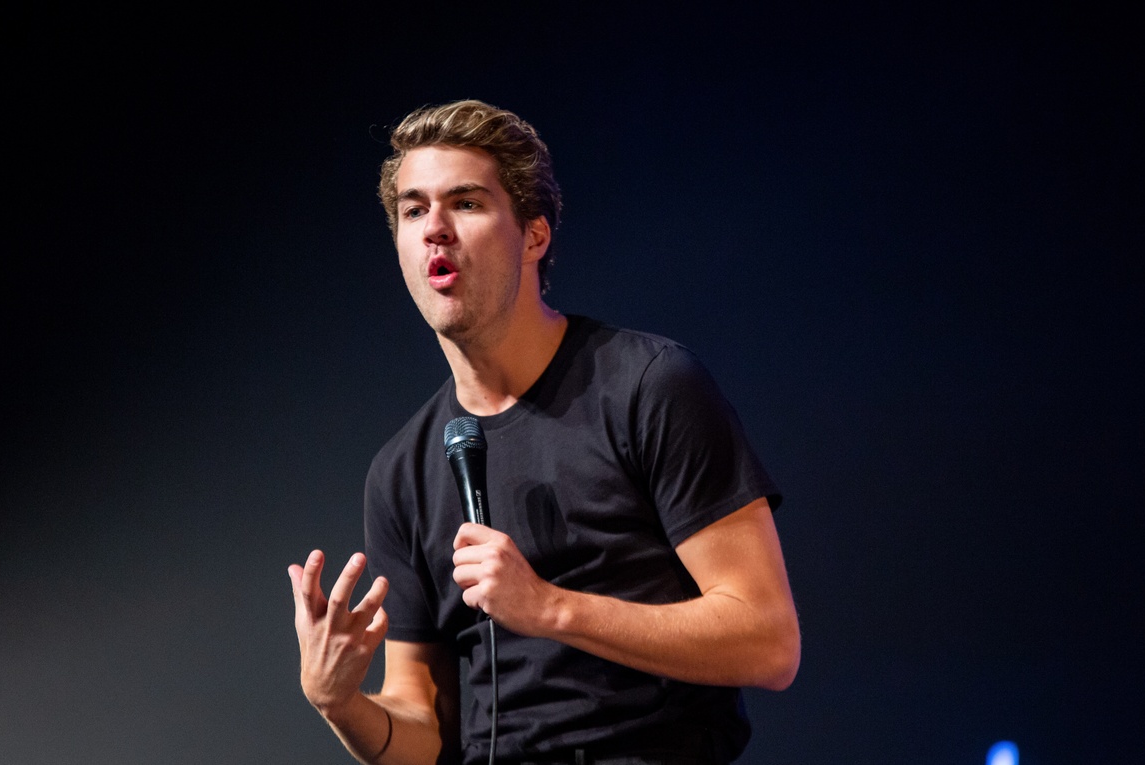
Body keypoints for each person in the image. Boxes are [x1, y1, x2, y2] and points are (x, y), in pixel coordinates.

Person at [289, 100, 800, 765]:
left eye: (465, 204)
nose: (434, 229)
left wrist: (551, 608)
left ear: (534, 234)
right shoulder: (401, 472)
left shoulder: (648, 385)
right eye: (414, 211)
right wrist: (340, 702)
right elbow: (423, 731)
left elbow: (767, 640)